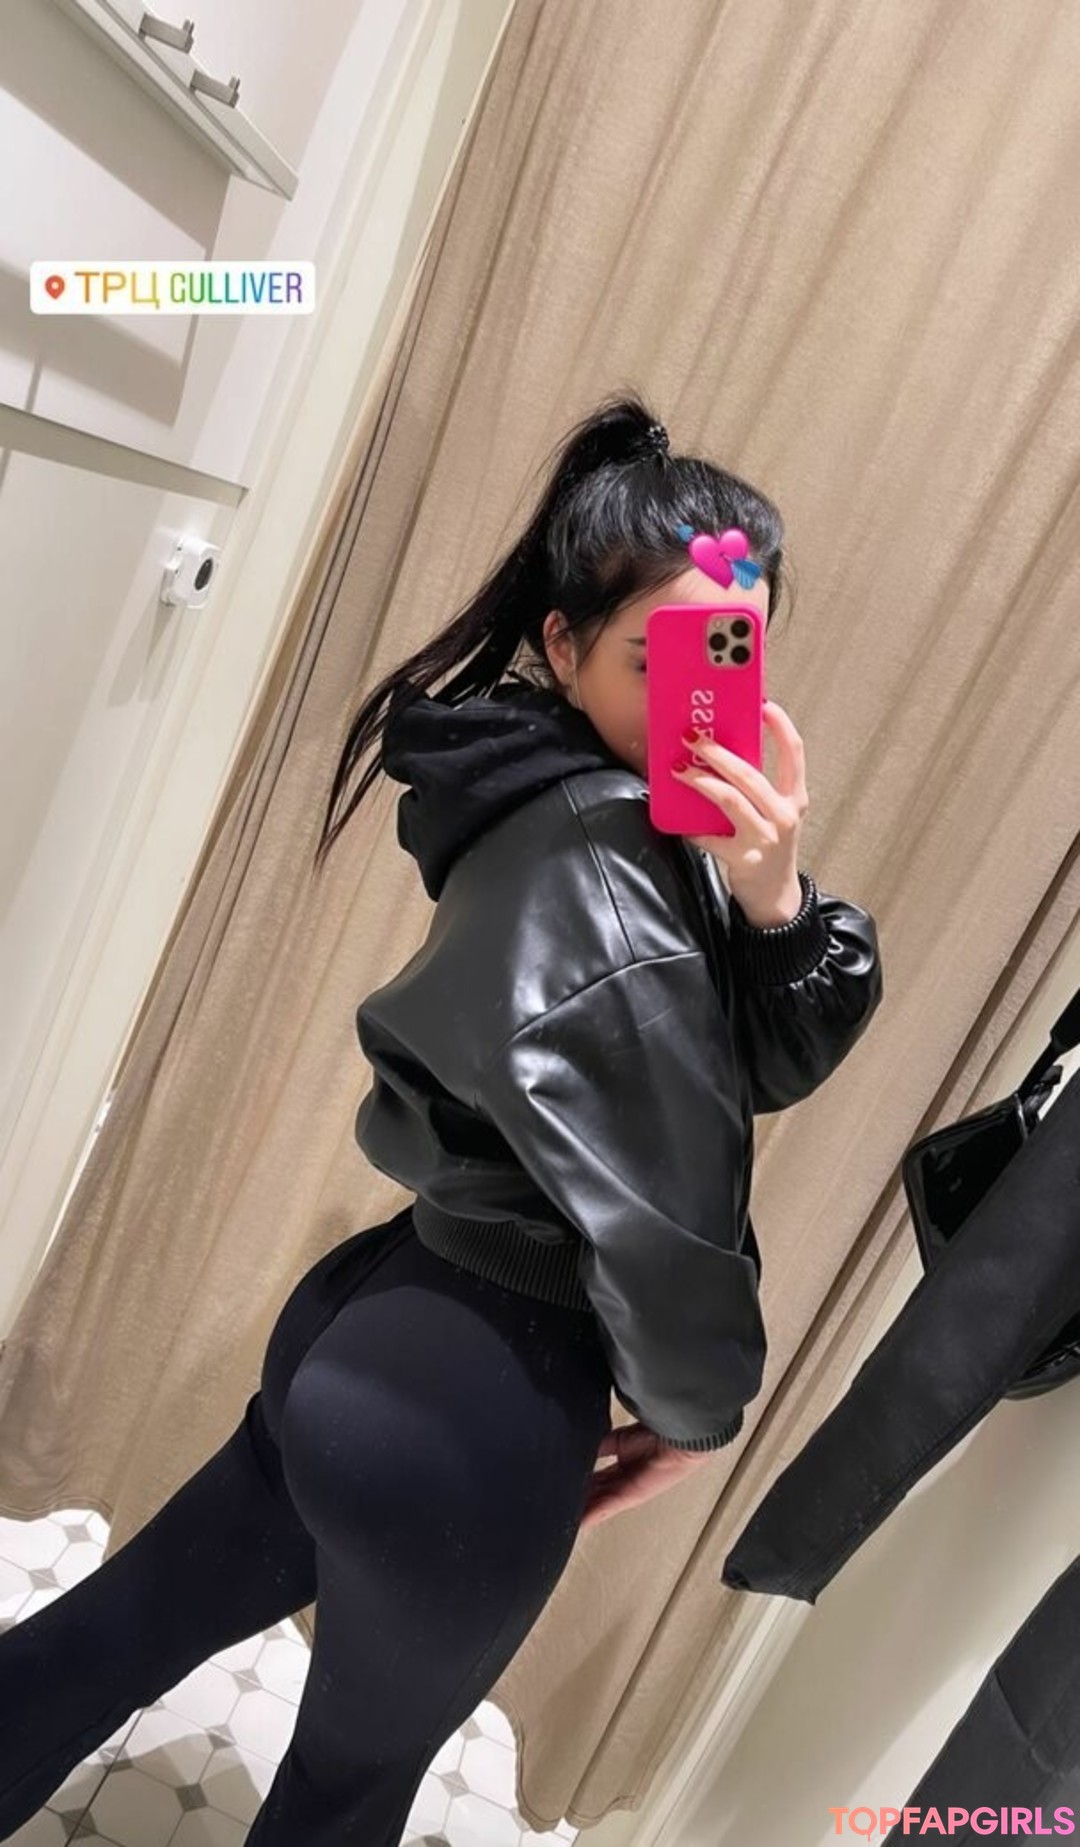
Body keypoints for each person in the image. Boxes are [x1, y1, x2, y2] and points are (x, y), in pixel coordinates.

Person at [0, 391, 883, 1844]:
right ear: (563, 644)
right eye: (662, 654)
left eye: (732, 652)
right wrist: (696, 1417)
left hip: (369, 1324)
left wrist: (774, 897)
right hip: (479, 1413)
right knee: (341, 1803)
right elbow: (671, 1214)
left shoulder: (545, 792)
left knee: (112, 1634)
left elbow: (745, 1061)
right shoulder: (622, 884)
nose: (701, 696)